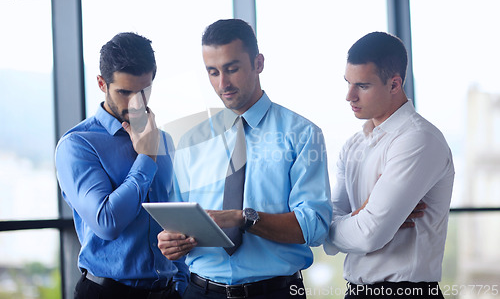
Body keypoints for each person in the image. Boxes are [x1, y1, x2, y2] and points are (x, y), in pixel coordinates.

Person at [157, 19, 332, 299]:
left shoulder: (302, 134)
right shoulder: (191, 141)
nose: (222, 83)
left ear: (258, 63)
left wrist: (243, 218)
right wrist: (171, 242)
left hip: (275, 292)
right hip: (200, 291)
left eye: (232, 69)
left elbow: (314, 227)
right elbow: (179, 223)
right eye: (212, 72)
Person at [55, 32, 189, 299]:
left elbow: (173, 217)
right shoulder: (78, 145)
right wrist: (147, 157)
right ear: (102, 83)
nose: (136, 102)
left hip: (167, 291)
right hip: (107, 293)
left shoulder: (165, 141)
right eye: (124, 92)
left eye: (143, 91)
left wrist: (182, 283)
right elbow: (107, 222)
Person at [323, 32, 455, 298]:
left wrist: (342, 226)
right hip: (355, 292)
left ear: (395, 84)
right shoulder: (352, 146)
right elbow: (326, 225)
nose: (349, 96)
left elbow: (369, 235)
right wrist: (360, 215)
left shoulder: (419, 139)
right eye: (348, 83)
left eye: (362, 86)